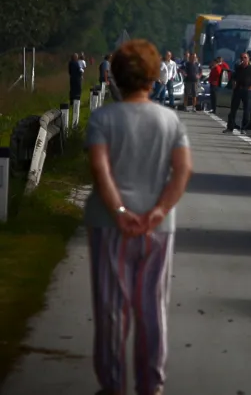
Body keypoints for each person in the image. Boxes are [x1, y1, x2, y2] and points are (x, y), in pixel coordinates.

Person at [84, 38, 193, 395]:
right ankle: (151, 384)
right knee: (152, 308)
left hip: (108, 223)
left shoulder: (103, 118)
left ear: (115, 76)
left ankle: (113, 384)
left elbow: (100, 169)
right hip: (158, 226)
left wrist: (118, 209)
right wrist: (160, 209)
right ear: (153, 76)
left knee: (112, 309)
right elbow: (181, 171)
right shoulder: (169, 120)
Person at [224, 53, 251, 134]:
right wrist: (233, 84)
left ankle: (244, 128)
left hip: (246, 91)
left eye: (245, 57)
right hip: (237, 90)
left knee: (246, 110)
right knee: (233, 109)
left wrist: (250, 89)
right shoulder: (238, 68)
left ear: (248, 59)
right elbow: (233, 78)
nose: (243, 59)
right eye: (242, 58)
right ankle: (230, 127)